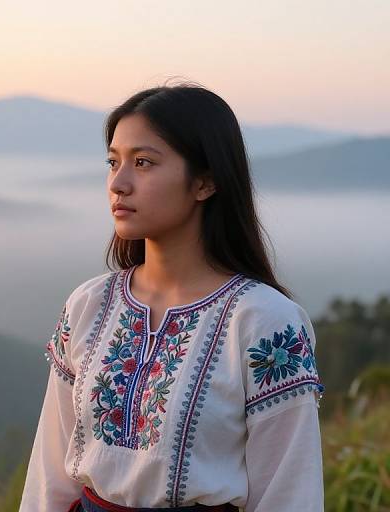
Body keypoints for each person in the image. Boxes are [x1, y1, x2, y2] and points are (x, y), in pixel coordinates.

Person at [19, 81, 325, 512]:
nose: (118, 183)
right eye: (113, 162)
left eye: (143, 162)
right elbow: (50, 477)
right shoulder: (88, 305)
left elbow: (289, 492)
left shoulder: (265, 321)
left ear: (205, 182)